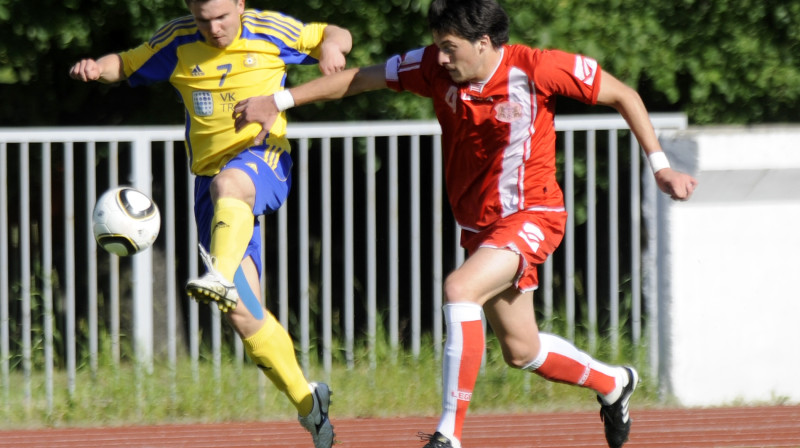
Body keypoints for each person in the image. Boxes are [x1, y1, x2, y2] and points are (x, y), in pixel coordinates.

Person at [232, 0, 698, 447]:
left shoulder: (538, 68)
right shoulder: (433, 67)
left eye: (450, 46)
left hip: (532, 214)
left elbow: (623, 94)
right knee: (522, 351)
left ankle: (448, 434)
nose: (441, 56)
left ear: (486, 42)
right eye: (437, 44)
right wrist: (280, 99)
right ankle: (615, 382)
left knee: (459, 289)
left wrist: (660, 166)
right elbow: (358, 79)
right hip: (480, 227)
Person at [69, 1, 352, 447]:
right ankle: (308, 403)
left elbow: (334, 33)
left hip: (263, 160)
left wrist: (332, 49)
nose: (214, 28)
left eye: (222, 16)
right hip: (210, 189)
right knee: (245, 314)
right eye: (204, 19)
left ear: (240, 4)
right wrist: (94, 68)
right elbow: (122, 64)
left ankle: (217, 275)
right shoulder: (177, 40)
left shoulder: (269, 29)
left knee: (231, 183)